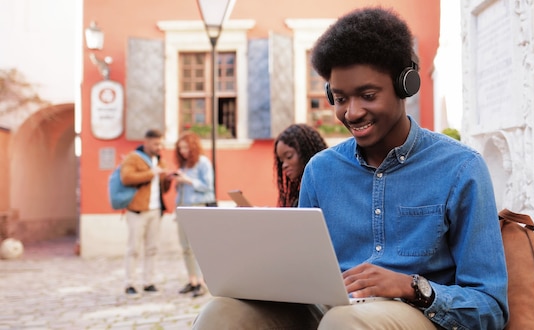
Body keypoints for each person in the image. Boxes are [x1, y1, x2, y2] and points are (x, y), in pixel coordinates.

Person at [192, 7, 509, 330]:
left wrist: (412, 287)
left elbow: (490, 307)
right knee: (221, 313)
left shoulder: (461, 168)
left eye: (367, 95)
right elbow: (301, 274)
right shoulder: (320, 170)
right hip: (330, 310)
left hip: (415, 314)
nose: (352, 112)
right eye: (340, 99)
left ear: (405, 85)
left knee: (344, 323)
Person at [120, 128, 172, 296]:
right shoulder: (133, 158)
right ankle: (130, 283)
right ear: (147, 142)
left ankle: (149, 282)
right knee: (134, 248)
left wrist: (168, 179)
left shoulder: (160, 161)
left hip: (155, 210)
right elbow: (126, 178)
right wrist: (151, 173)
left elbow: (163, 188)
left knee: (152, 248)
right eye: (156, 143)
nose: (159, 146)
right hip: (137, 211)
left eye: (161, 143)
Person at [172, 131, 216, 298]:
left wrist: (187, 180)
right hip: (182, 206)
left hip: (198, 206)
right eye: (180, 148)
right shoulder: (184, 165)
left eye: (185, 147)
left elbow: (208, 187)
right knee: (184, 247)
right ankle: (192, 280)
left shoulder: (203, 162)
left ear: (193, 147)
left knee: (196, 247)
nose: (182, 151)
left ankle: (202, 282)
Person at [273, 123, 328, 207]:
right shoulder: (299, 195)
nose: (284, 165)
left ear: (305, 152)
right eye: (281, 161)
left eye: (289, 156)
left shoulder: (327, 190)